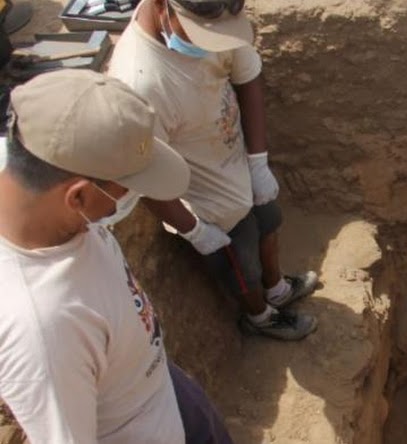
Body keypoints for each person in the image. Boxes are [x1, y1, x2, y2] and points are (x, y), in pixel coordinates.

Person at [0, 69, 233, 444]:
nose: (130, 198)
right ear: (76, 197)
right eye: (126, 188)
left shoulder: (36, 187)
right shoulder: (43, 330)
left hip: (160, 389)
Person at [108, 0, 319, 340]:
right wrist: (193, 230)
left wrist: (257, 162)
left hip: (241, 170)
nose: (210, 45)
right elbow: (142, 174)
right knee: (242, 270)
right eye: (201, 36)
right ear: (163, 7)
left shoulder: (216, 13)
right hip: (210, 207)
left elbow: (248, 79)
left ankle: (278, 288)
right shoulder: (140, 84)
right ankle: (260, 317)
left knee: (268, 224)